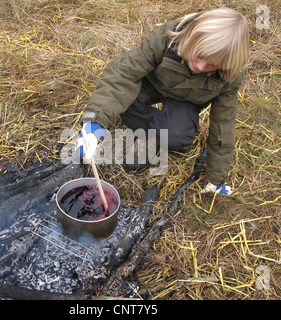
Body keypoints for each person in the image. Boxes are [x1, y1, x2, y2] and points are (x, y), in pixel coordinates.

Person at [77, 7, 250, 195]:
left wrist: (216, 179)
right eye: (199, 55)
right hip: (152, 84)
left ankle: (154, 138)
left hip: (186, 101)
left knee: (177, 136)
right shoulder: (168, 38)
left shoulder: (228, 75)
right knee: (126, 100)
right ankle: (145, 132)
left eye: (211, 65)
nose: (200, 66)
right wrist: (94, 124)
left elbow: (223, 124)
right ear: (192, 36)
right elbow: (123, 74)